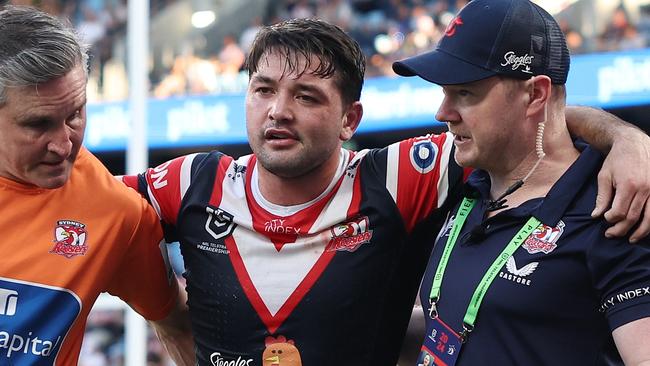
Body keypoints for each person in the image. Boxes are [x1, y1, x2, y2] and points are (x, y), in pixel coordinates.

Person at [122, 17, 650, 365]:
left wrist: (626, 139)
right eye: (262, 90)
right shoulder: (190, 181)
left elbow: (530, 128)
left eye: (305, 96)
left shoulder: (400, 177)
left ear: (351, 118)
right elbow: (86, 205)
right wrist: (164, 310)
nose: (278, 110)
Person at [392, 0, 650, 364]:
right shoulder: (465, 178)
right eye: (445, 92)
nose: (442, 113)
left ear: (535, 95)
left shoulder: (614, 209)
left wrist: (630, 141)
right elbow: (479, 323)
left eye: (464, 93)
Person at [0, 5, 194, 365]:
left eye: (75, 114)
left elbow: (176, 325)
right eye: (38, 124)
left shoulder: (116, 212)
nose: (63, 144)